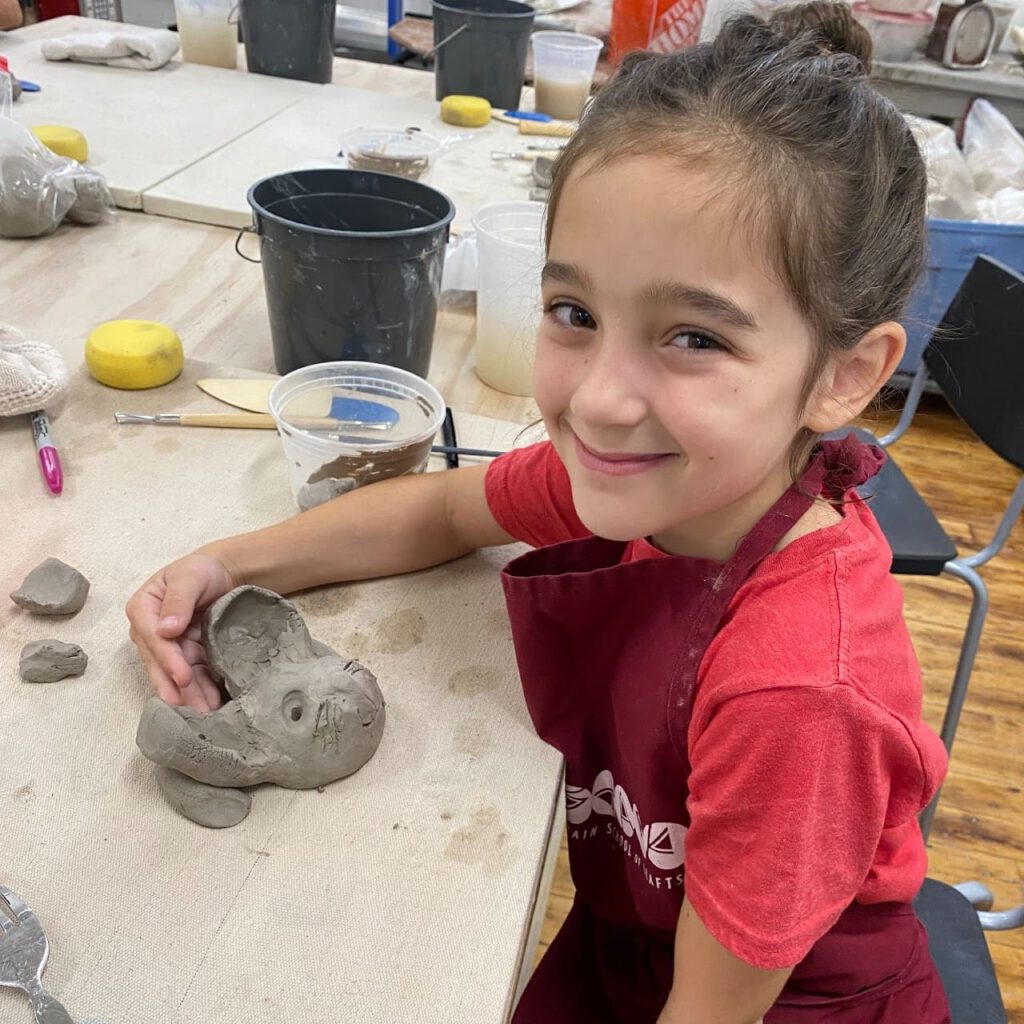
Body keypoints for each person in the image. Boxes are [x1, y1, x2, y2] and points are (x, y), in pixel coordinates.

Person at [126, 3, 952, 1020]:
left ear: (843, 376)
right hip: (642, 941)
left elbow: (715, 1010)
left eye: (693, 337)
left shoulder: (799, 690)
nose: (600, 398)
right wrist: (219, 566)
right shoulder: (657, 474)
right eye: (574, 313)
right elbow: (437, 511)